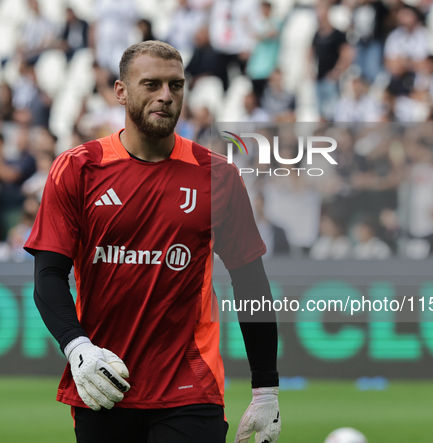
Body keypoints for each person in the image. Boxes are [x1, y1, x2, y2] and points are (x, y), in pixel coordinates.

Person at [24, 41, 280, 443]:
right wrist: (78, 348)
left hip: (190, 385)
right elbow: (48, 276)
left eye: (176, 86)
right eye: (152, 84)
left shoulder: (218, 175)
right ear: (121, 91)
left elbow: (251, 283)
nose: (166, 95)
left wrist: (266, 388)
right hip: (104, 380)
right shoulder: (78, 169)